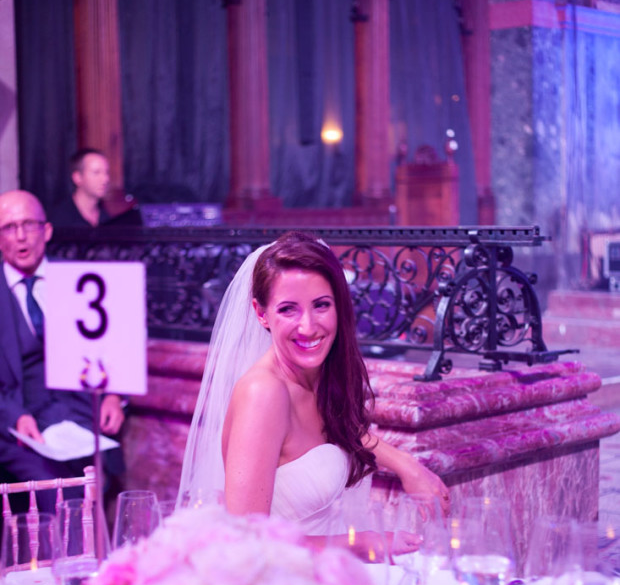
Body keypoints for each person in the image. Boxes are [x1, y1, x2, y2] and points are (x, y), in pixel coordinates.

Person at [178, 232, 449, 534]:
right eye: (288, 309)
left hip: (318, 569)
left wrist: (405, 464)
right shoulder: (264, 394)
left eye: (321, 305)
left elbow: (338, 428)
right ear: (260, 313)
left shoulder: (315, 373)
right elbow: (248, 539)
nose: (308, 327)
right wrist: (359, 545)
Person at [0, 189, 125, 511]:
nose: (21, 236)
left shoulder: (80, 281)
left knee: (98, 482)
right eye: (9, 228)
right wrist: (15, 417)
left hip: (82, 418)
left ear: (47, 231)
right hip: (20, 426)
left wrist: (113, 395)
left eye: (29, 225)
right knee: (62, 497)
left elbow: (110, 346)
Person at [48, 148, 111, 228]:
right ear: (77, 177)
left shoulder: (106, 217)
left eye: (107, 172)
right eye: (96, 172)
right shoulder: (60, 220)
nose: (105, 179)